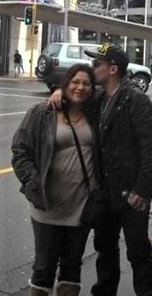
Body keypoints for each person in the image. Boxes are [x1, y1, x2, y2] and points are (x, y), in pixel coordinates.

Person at [48, 42, 152, 296]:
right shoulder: (99, 98)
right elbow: (75, 95)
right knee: (105, 250)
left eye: (96, 64)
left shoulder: (136, 99)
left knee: (139, 254)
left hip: (132, 195)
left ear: (112, 69)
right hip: (106, 194)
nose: (92, 68)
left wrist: (142, 190)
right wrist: (59, 92)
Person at [11, 64, 97, 296]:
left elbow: (112, 93)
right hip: (47, 203)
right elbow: (20, 151)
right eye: (74, 82)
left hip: (82, 204)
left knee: (72, 266)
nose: (80, 87)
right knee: (44, 266)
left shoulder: (95, 113)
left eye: (86, 83)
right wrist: (33, 183)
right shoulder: (43, 112)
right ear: (65, 83)